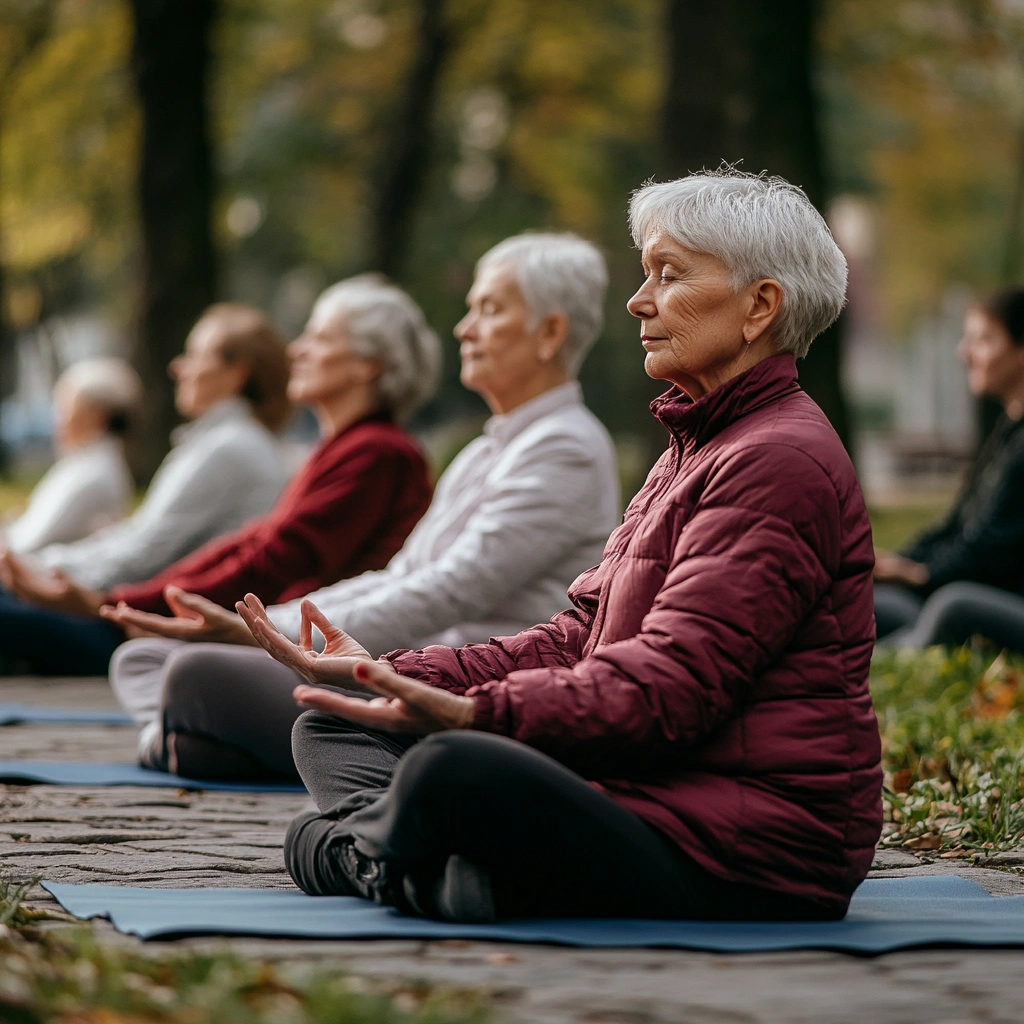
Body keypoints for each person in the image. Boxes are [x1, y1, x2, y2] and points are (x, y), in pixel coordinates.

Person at [232, 171, 882, 925]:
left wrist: (479, 716)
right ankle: (425, 869)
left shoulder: (776, 459)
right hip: (648, 786)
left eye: (667, 276)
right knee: (337, 718)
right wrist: (390, 675)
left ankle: (367, 857)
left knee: (450, 767)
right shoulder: (696, 446)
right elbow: (580, 637)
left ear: (759, 307)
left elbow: (669, 687)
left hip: (750, 843)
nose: (638, 302)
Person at [104, 232, 620, 782]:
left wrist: (260, 631)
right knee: (146, 659)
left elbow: (444, 591)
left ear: (550, 333)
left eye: (488, 311)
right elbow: (400, 575)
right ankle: (191, 744)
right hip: (396, 661)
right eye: (469, 310)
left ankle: (188, 742)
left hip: (448, 684)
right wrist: (261, 629)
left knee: (194, 672)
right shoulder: (485, 450)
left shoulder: (566, 448)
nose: (464, 330)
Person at [0, 281, 438, 678]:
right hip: (262, 637)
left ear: (368, 366)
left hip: (313, 657)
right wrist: (120, 602)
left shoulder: (377, 453)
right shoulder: (345, 449)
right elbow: (253, 544)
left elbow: (270, 559)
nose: (296, 351)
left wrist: (115, 604)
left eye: (319, 338)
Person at [0, 303, 290, 674]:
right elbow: (142, 540)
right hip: (146, 615)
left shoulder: (229, 448)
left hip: (146, 628)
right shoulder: (228, 444)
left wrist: (43, 572)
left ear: (237, 374)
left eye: (194, 355)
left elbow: (146, 554)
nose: (178, 367)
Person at [875, 288, 1024, 642]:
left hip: (1000, 598)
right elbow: (956, 526)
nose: (964, 353)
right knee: (865, 598)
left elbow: (994, 549)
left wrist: (920, 574)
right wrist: (899, 563)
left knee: (951, 607)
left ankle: (880, 665)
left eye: (983, 340)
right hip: (964, 586)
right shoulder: (1007, 432)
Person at [3, 358, 141, 553]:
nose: (56, 419)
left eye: (65, 407)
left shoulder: (94, 474)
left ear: (97, 415)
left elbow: (29, 544)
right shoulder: (83, 463)